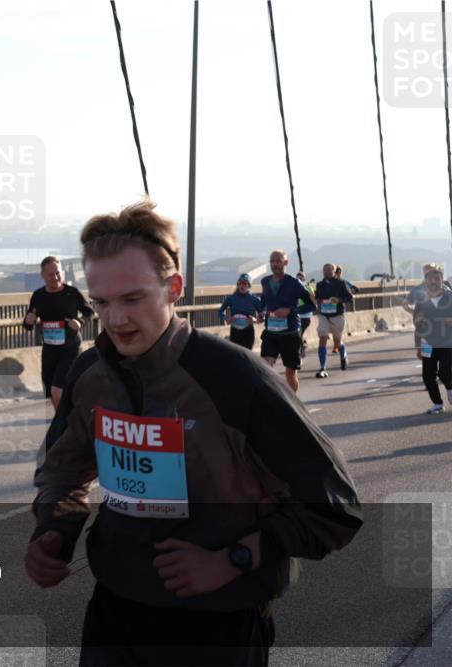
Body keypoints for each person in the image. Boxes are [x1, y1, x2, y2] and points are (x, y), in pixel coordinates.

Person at [25, 200, 362, 666]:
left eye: (132, 298)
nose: (116, 319)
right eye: (101, 302)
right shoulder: (91, 373)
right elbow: (61, 473)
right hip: (115, 613)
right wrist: (53, 533)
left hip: (219, 623)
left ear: (174, 288)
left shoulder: (234, 377)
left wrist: (232, 560)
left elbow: (335, 509)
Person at [23, 256, 94, 408]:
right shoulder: (38, 296)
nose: (55, 277)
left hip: (70, 349)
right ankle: (64, 422)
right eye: (50, 275)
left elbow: (90, 313)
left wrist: (79, 322)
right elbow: (29, 322)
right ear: (42, 275)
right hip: (49, 351)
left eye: (58, 273)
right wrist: (28, 321)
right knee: (52, 394)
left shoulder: (72, 293)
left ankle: (64, 425)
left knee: (57, 391)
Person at [258, 250, 309, 393]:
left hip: (290, 334)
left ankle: (292, 403)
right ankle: (272, 397)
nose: (274, 264)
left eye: (278, 261)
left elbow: (311, 305)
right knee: (265, 367)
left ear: (285, 263)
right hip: (271, 333)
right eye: (272, 261)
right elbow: (264, 301)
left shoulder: (294, 283)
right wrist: (261, 313)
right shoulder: (265, 281)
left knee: (290, 373)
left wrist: (290, 310)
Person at [413, 264, 452, 415]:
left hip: (448, 341)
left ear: (442, 280)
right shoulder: (422, 300)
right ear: (426, 282)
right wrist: (417, 345)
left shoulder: (450, 297)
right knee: (428, 375)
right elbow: (416, 323)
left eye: (437, 279)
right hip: (428, 342)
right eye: (430, 279)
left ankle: (450, 388)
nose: (434, 281)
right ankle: (437, 404)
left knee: (444, 371)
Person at [313, 263, 355, 378]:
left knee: (337, 342)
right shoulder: (320, 284)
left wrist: (339, 300)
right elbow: (317, 298)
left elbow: (350, 298)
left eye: (328, 270)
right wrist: (318, 300)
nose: (326, 272)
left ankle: (343, 355)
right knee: (322, 338)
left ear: (334, 271)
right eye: (324, 270)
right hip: (323, 316)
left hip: (337, 316)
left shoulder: (341, 283)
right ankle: (323, 368)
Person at [217, 273, 263, 350]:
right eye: (240, 283)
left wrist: (255, 320)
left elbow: (262, 315)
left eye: (244, 283)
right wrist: (227, 319)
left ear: (249, 285)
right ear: (238, 285)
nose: (242, 285)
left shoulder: (255, 300)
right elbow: (220, 311)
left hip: (248, 331)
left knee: (246, 356)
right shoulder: (231, 298)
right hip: (235, 331)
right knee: (235, 356)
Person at [296, 271, 316, 358]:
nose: (299, 280)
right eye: (298, 278)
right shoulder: (293, 289)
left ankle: (301, 350)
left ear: (304, 279)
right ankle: (302, 345)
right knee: (298, 334)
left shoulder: (309, 289)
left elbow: (313, 302)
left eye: (301, 278)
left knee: (298, 333)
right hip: (297, 316)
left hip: (306, 317)